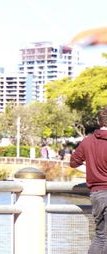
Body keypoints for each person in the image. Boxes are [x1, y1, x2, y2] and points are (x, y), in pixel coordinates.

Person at [70, 106, 107, 254]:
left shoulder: (87, 141)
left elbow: (73, 163)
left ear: (99, 122)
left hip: (97, 194)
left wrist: (91, 170)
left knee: (100, 236)